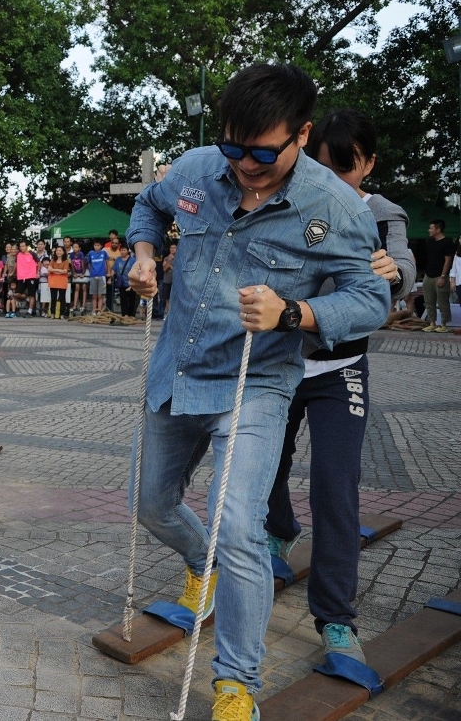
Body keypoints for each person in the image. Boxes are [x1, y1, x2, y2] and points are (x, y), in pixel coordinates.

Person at [127, 63, 389, 720]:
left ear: (301, 134)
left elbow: (370, 298)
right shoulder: (192, 169)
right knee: (152, 505)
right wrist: (143, 253)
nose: (246, 164)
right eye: (234, 147)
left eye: (264, 151)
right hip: (177, 370)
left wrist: (295, 314)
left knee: (239, 526)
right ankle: (200, 566)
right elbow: (149, 207)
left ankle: (236, 684)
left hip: (256, 384)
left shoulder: (332, 207)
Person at [264, 108, 415, 664]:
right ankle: (280, 530)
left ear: (369, 164)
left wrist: (393, 274)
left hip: (339, 369)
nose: (331, 180)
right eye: (320, 166)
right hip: (278, 364)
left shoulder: (381, 213)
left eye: (344, 169)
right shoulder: (289, 199)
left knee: (335, 483)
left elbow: (402, 266)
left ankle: (335, 617)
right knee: (266, 466)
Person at [419, 219, 452, 331]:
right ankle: (432, 322)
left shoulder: (447, 242)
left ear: (438, 229)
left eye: (431, 228)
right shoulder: (430, 242)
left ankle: (444, 325)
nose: (429, 230)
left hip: (440, 275)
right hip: (428, 275)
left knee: (443, 301)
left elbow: (448, 260)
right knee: (429, 301)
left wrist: (443, 276)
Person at [15, 241, 38, 316]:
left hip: (31, 276)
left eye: (23, 246)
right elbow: (16, 264)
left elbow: (39, 262)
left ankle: (30, 311)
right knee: (17, 294)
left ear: (27, 246)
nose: (22, 248)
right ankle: (26, 298)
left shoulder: (32, 253)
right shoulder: (18, 254)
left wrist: (38, 272)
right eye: (20, 246)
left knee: (32, 295)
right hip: (21, 277)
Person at [47, 245, 70, 319]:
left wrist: (55, 270)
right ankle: (53, 313)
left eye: (60, 251)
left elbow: (65, 271)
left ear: (63, 252)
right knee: (53, 298)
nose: (58, 252)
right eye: (57, 251)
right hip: (53, 281)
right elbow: (49, 269)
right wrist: (59, 271)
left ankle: (62, 314)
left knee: (62, 298)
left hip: (62, 281)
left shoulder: (66, 261)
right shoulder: (53, 260)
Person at [88, 239, 109, 315]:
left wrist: (108, 272)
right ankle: (94, 310)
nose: (96, 247)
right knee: (94, 295)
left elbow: (107, 263)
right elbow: (89, 263)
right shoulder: (91, 253)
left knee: (100, 295)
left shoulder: (104, 253)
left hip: (102, 276)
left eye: (98, 245)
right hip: (93, 276)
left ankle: (99, 310)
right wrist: (91, 272)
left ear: (101, 246)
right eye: (95, 245)